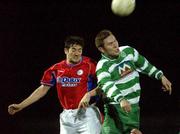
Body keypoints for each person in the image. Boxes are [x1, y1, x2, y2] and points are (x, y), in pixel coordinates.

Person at [8, 36, 102, 134]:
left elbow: (103, 84)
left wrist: (90, 95)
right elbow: (42, 89)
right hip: (66, 117)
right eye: (73, 50)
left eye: (80, 50)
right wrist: (21, 105)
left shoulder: (90, 64)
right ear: (66, 50)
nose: (77, 53)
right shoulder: (55, 69)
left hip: (87, 114)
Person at [94, 29, 172, 134]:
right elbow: (107, 85)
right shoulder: (102, 66)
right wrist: (121, 99)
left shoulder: (128, 51)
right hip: (115, 108)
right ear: (102, 49)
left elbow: (144, 65)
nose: (115, 45)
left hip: (132, 107)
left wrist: (161, 76)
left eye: (115, 41)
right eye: (110, 44)